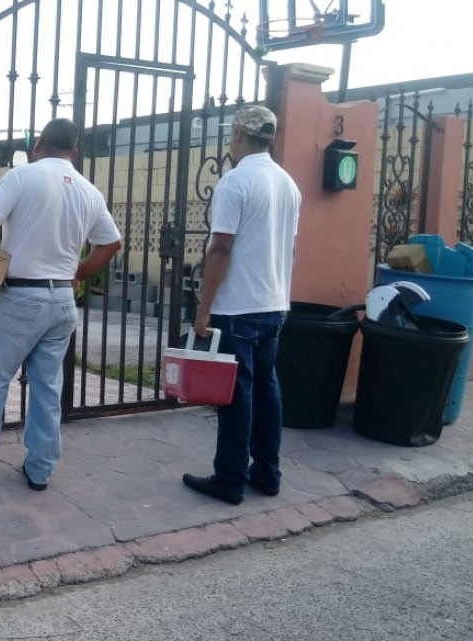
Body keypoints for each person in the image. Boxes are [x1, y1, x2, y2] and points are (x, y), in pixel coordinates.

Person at [0, 118, 122, 491]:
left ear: (38, 144)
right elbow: (111, 243)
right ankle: (40, 470)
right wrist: (78, 274)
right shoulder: (89, 191)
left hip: (21, 297)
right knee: (47, 387)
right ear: (75, 151)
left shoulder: (23, 176)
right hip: (62, 303)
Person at [183, 105, 301, 505]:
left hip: (238, 307)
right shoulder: (288, 184)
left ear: (238, 135)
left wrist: (204, 307)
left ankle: (229, 478)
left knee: (236, 395)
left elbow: (220, 248)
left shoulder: (235, 182)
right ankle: (267, 472)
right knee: (267, 390)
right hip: (274, 303)